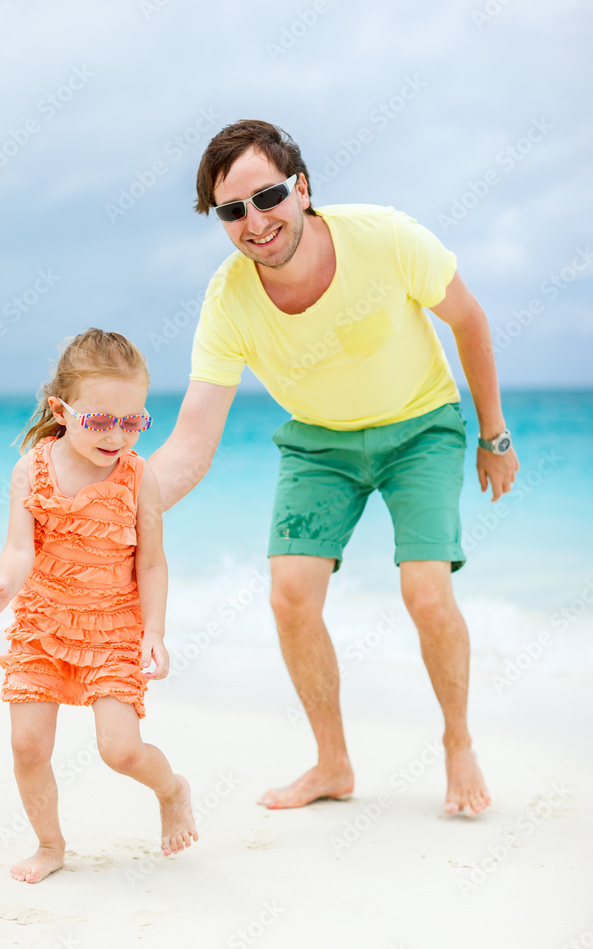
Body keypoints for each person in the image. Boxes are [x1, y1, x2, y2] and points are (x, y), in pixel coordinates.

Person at [148, 120, 519, 817]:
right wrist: (119, 506)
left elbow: (468, 320)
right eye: (232, 210)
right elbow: (192, 441)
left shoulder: (385, 239)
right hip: (319, 443)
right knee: (289, 593)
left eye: (267, 197)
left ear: (303, 188)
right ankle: (332, 763)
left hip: (420, 428)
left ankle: (457, 741)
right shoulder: (228, 301)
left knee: (425, 592)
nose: (254, 222)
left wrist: (492, 437)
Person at [0, 328, 197, 883]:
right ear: (62, 410)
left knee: (120, 750)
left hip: (115, 627)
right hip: (42, 623)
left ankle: (173, 790)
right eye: (101, 420)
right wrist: (2, 587)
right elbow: (19, 549)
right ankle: (50, 846)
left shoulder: (137, 476)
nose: (117, 434)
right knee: (27, 744)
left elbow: (151, 562)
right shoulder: (33, 468)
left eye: (133, 420)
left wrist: (155, 631)